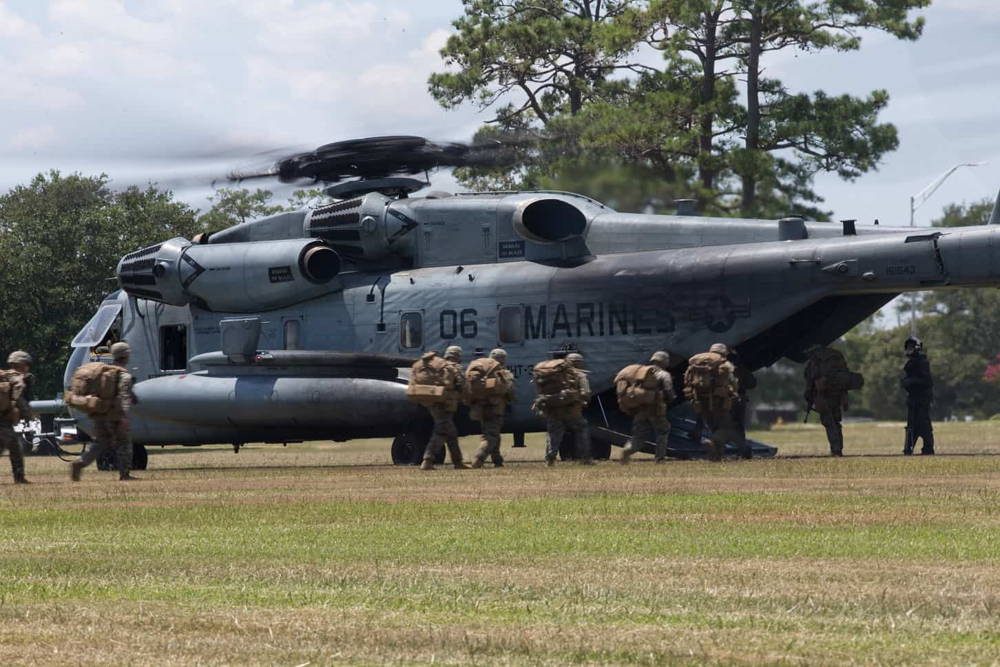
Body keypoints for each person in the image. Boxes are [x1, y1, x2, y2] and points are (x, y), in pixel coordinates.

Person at [70, 342, 136, 481]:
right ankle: (125, 474)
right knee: (124, 443)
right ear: (125, 356)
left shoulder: (104, 372)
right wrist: (123, 417)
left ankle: (79, 463)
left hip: (99, 414)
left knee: (99, 443)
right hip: (115, 415)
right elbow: (123, 396)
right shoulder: (123, 375)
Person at [683, 343, 745, 461]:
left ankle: (716, 456)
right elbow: (732, 381)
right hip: (719, 401)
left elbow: (687, 381)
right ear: (723, 352)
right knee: (725, 429)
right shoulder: (723, 363)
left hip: (700, 401)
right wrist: (734, 393)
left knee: (713, 427)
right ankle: (710, 442)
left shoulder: (695, 363)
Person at [533, 352, 592, 466]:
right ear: (579, 363)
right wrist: (580, 400)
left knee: (553, 435)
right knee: (582, 429)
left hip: (553, 410)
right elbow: (586, 393)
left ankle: (550, 459)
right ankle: (585, 458)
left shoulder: (554, 375)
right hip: (572, 411)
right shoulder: (580, 375)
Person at [803, 345, 862, 457]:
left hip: (823, 396)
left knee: (829, 423)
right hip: (837, 395)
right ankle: (837, 449)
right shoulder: (835, 357)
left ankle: (836, 450)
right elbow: (844, 376)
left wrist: (810, 397)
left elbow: (812, 382)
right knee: (836, 423)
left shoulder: (815, 362)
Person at [619, 351, 675, 464]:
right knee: (663, 431)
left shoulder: (641, 373)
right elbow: (669, 391)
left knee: (638, 436)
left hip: (640, 409)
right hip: (656, 409)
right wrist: (670, 398)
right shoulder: (664, 374)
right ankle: (659, 459)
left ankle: (627, 450)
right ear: (663, 361)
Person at [418, 345, 468, 471]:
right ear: (457, 356)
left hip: (434, 403)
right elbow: (463, 385)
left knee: (451, 433)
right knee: (440, 432)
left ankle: (458, 462)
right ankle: (427, 460)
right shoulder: (454, 368)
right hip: (445, 405)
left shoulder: (437, 366)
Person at [468, 348, 515, 469]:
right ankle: (478, 459)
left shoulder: (482, 368)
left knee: (493, 434)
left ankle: (497, 461)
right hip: (495, 408)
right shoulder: (500, 371)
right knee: (490, 437)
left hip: (480, 407)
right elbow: (509, 390)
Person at [0, 351, 33, 484]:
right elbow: (18, 398)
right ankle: (19, 478)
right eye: (26, 365)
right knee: (15, 448)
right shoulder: (16, 378)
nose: (27, 368)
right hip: (3, 421)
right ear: (21, 364)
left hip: (3, 421)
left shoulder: (4, 376)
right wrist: (27, 414)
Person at [901, 336, 934, 455]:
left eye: (911, 347)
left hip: (922, 400)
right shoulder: (910, 363)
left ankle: (928, 448)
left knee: (924, 424)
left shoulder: (922, 363)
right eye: (907, 347)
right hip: (912, 399)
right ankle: (908, 448)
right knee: (911, 425)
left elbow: (927, 382)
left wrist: (912, 381)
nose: (909, 350)